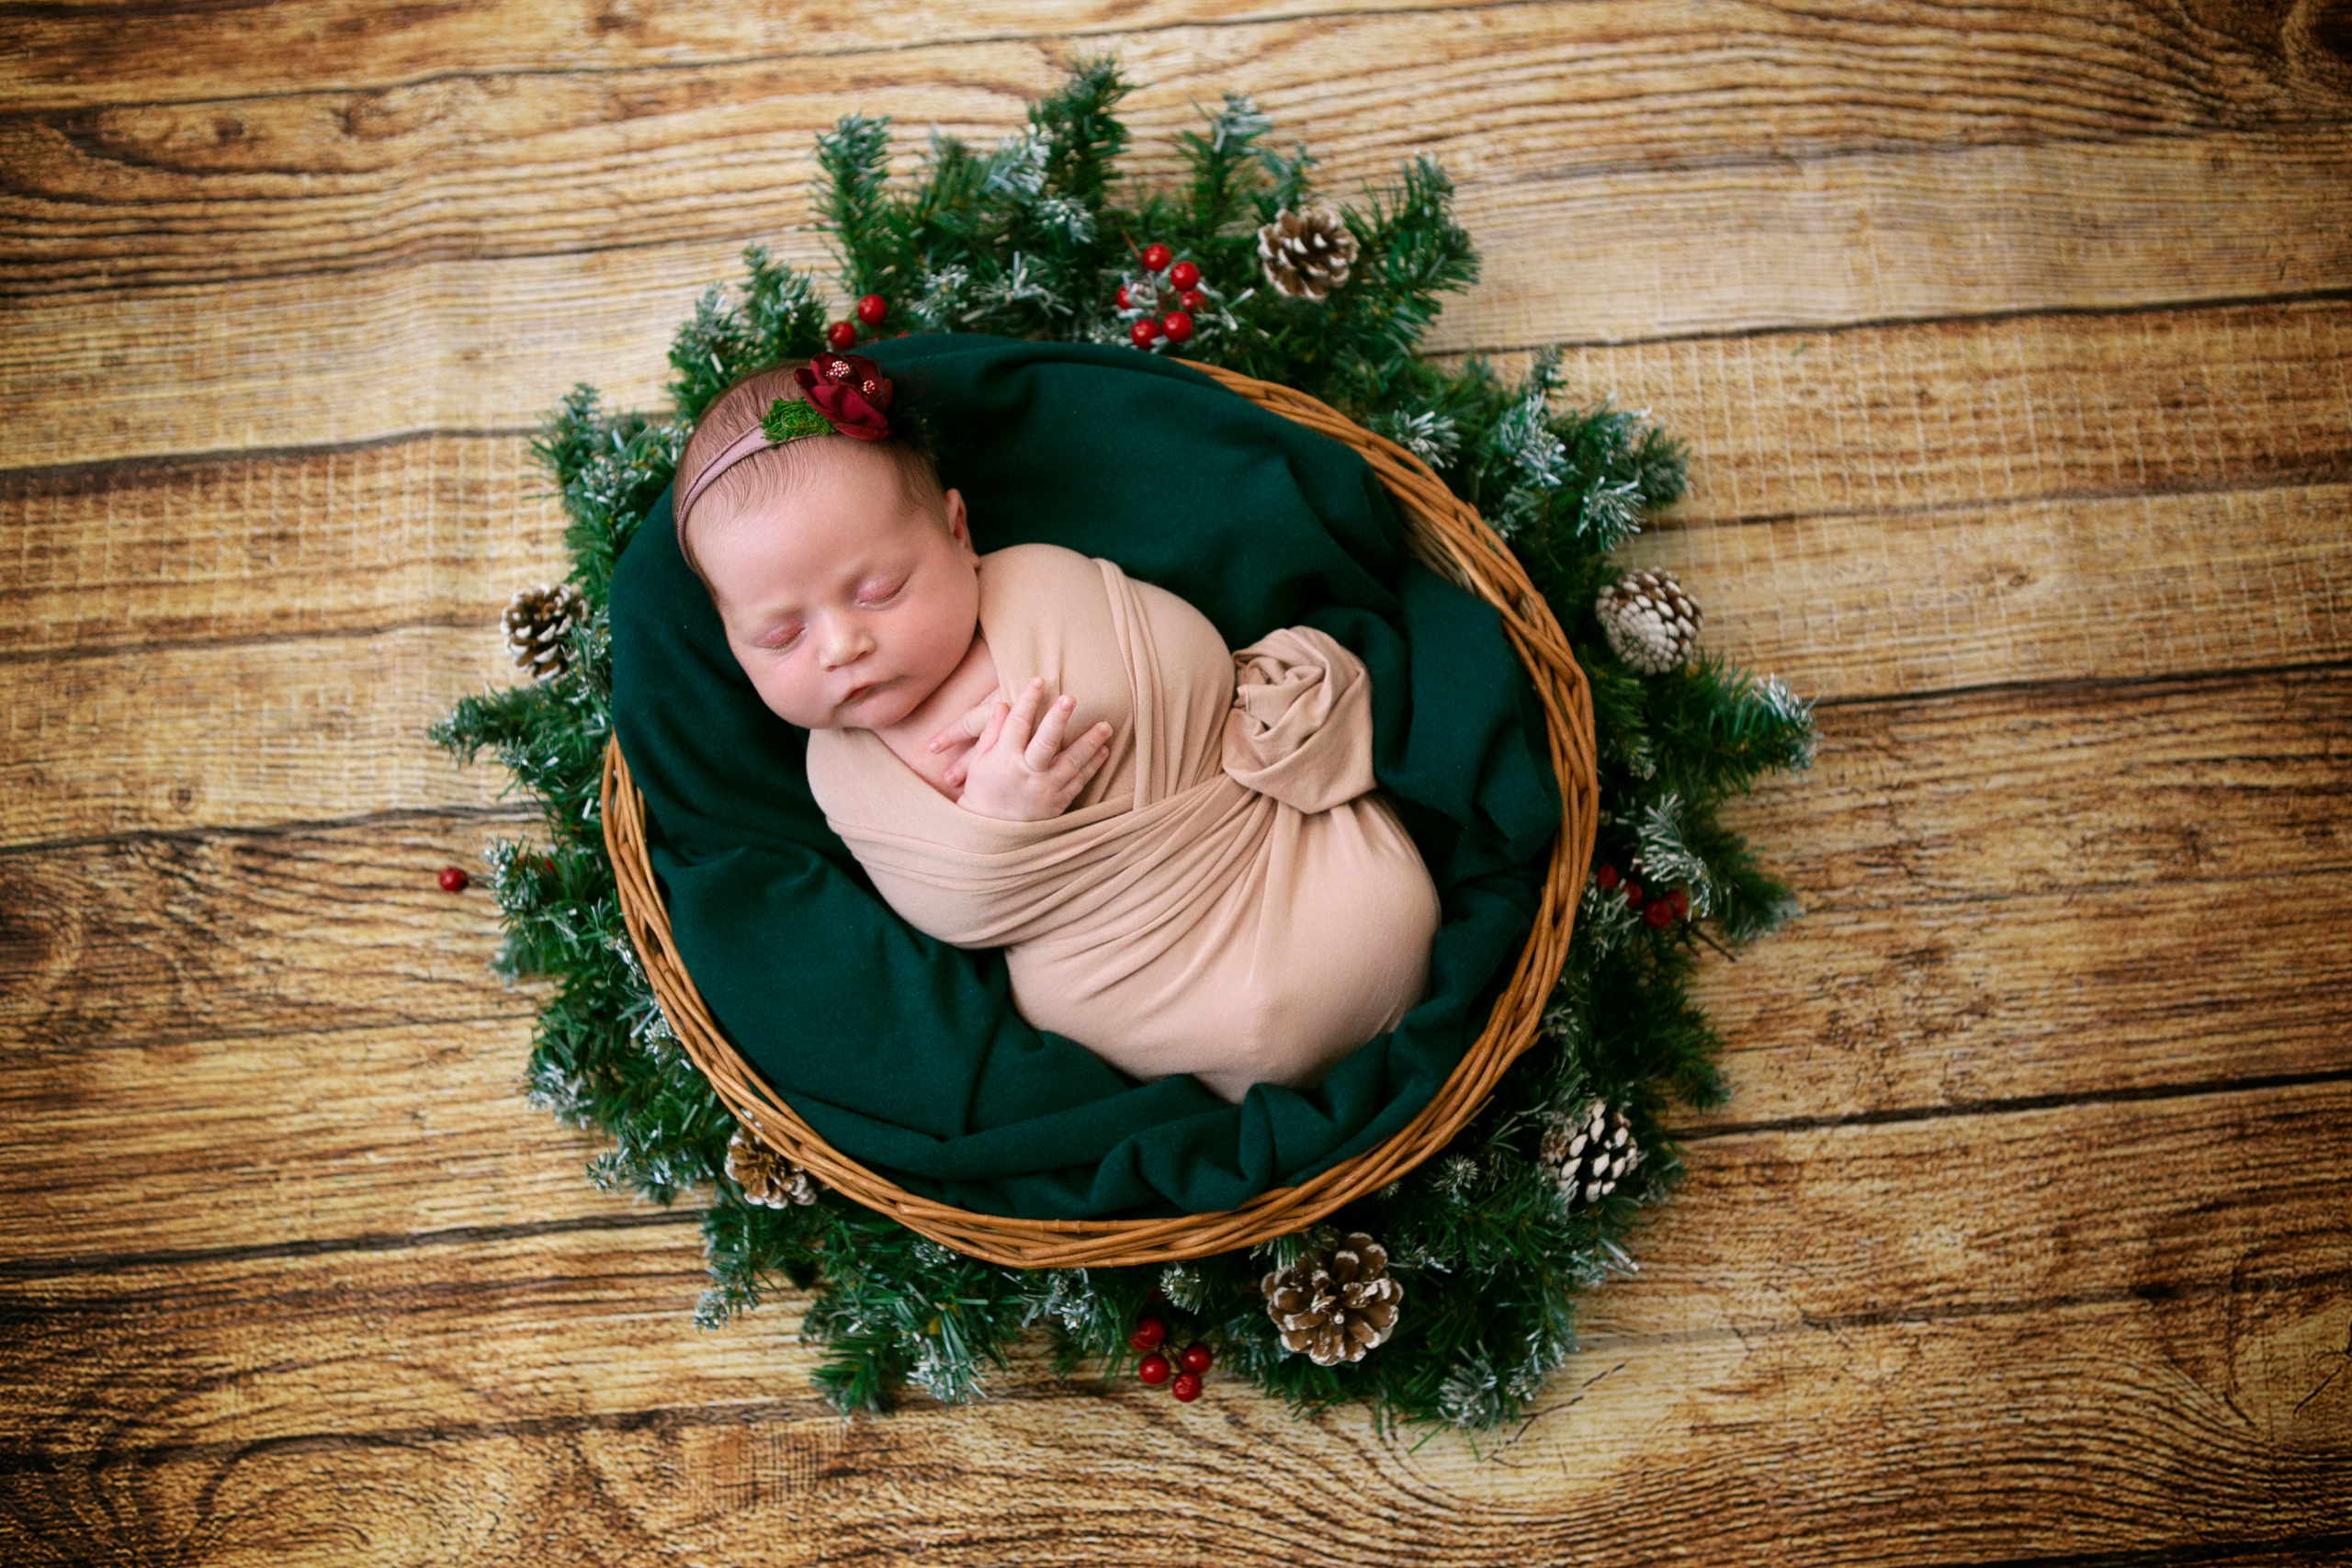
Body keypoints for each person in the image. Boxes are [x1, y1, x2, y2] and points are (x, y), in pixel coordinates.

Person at [673, 352, 1440, 1103]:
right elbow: (948, 909)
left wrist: (1126, 713)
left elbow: (1190, 660)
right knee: (1106, 1008)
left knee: (1387, 906)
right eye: (779, 638)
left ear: (958, 534)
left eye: (880, 590)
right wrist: (999, 824)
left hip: (1253, 834)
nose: (842, 647)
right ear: (730, 639)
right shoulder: (840, 771)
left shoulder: (1039, 579)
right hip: (1118, 959)